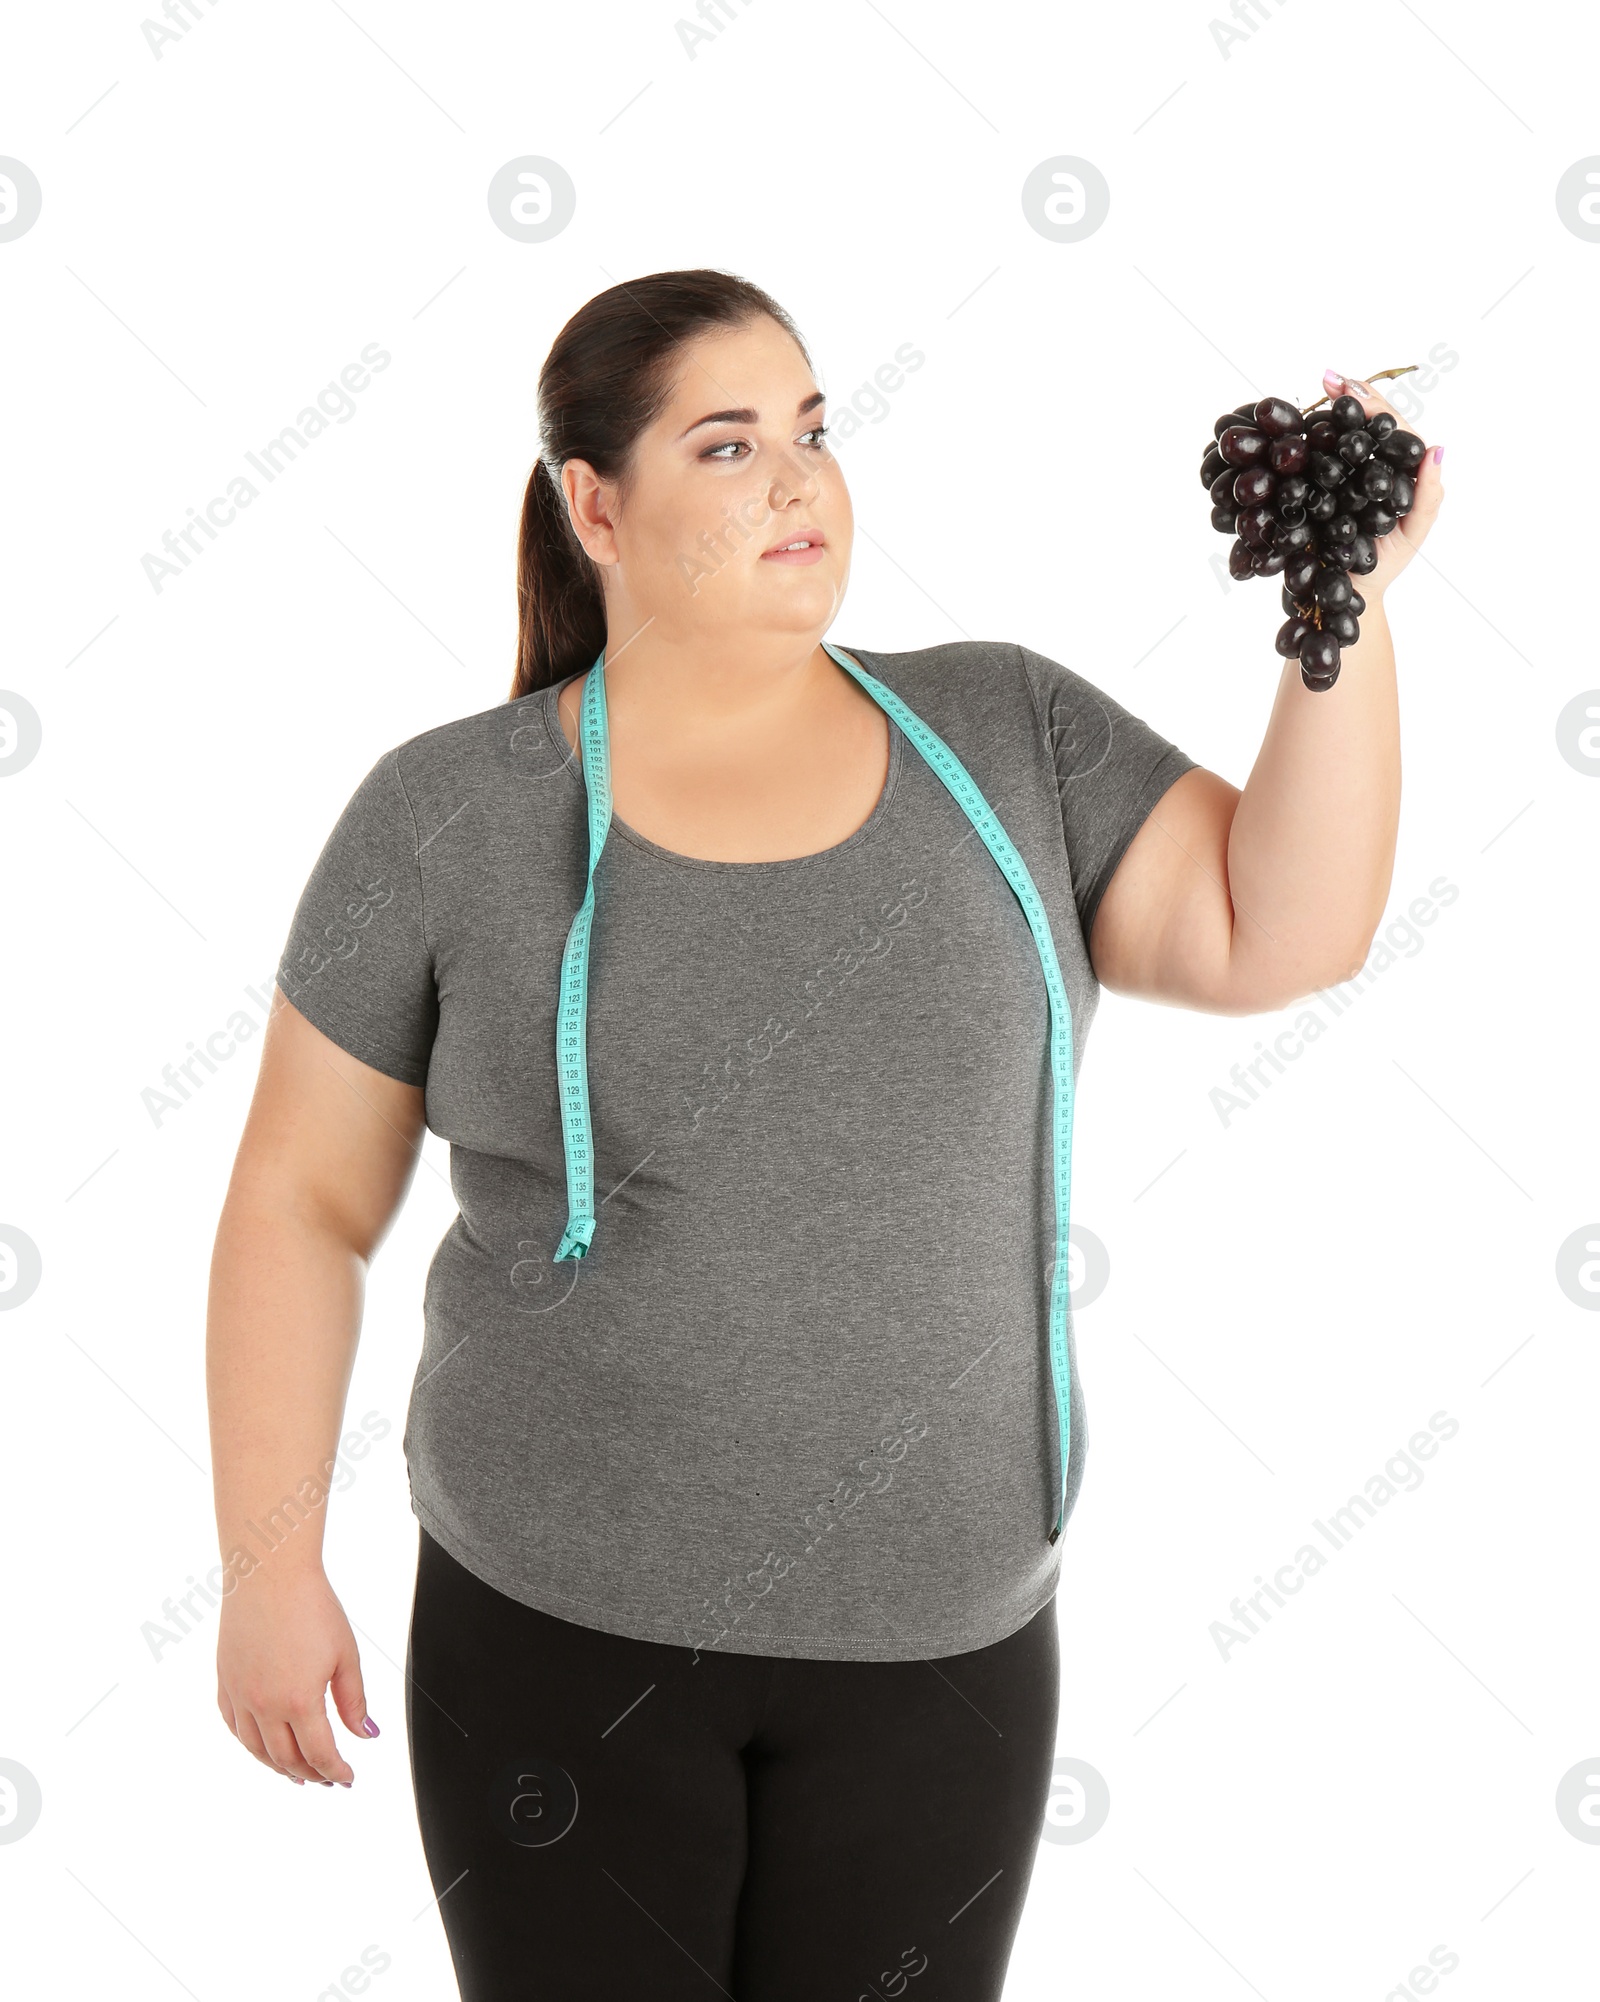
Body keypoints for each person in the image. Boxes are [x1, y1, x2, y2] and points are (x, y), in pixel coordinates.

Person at [206, 268, 1444, 2000]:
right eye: (729, 443)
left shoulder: (1010, 732)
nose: (800, 477)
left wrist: (1348, 614)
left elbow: (1278, 926)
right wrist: (269, 1565)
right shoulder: (445, 814)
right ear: (594, 506)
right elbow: (296, 1201)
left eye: (813, 427)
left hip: (942, 1649)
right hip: (558, 1632)